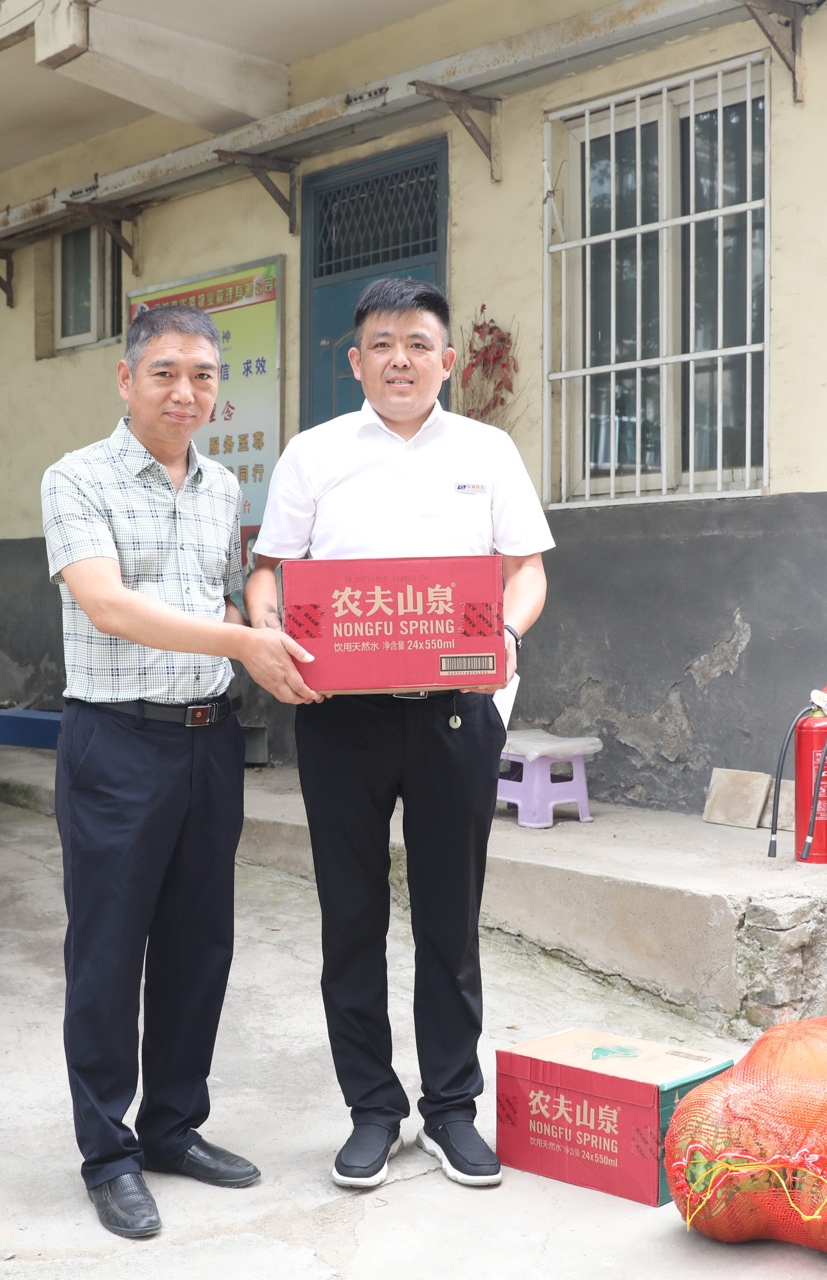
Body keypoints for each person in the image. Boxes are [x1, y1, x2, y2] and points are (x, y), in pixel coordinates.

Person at [245, 277, 553, 1190]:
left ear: (447, 360)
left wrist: (505, 635)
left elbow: (526, 571)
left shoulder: (488, 451)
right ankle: (373, 1111)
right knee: (351, 916)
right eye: (381, 344)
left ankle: (452, 1109)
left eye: (418, 344)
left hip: (455, 710)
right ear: (355, 362)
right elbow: (269, 572)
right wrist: (266, 631)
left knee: (449, 919)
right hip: (341, 714)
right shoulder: (313, 454)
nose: (400, 361)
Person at [41, 303, 321, 1239]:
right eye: (164, 372)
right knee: (108, 951)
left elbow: (223, 594)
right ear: (127, 380)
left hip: (209, 739)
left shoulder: (222, 487)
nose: (184, 392)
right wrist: (244, 642)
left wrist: (274, 628)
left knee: (200, 945)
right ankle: (108, 1154)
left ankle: (171, 1127)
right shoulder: (75, 479)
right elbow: (109, 606)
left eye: (202, 375)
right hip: (116, 741)